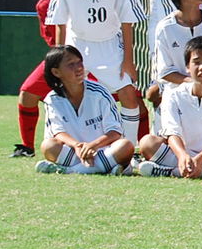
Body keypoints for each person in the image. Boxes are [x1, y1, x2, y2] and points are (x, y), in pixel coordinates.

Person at [46, 0, 147, 142]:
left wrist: (128, 59)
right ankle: (68, 146)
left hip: (110, 45)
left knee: (129, 96)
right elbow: (59, 21)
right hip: (77, 45)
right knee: (69, 95)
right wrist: (59, 58)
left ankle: (128, 150)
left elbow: (127, 21)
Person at [137, 36, 202, 179]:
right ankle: (200, 171)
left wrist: (199, 160)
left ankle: (172, 172)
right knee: (148, 143)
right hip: (181, 156)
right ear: (187, 67)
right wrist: (182, 156)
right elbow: (172, 132)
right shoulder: (173, 95)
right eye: (196, 62)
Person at [13, 0, 75, 158]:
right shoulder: (45, 4)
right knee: (28, 93)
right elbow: (52, 40)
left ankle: (138, 148)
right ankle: (27, 147)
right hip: (65, 57)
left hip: (98, 54)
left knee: (129, 97)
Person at [33, 45, 135, 175]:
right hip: (75, 153)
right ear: (56, 72)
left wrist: (93, 146)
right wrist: (78, 146)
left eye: (79, 62)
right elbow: (58, 132)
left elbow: (115, 132)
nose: (79, 68)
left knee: (125, 146)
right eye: (71, 64)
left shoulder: (100, 93)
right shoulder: (52, 99)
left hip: (102, 151)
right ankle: (102, 168)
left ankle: (71, 171)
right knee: (48, 146)